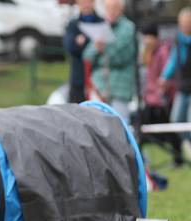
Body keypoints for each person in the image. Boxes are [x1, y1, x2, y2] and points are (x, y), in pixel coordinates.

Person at [82, 0, 136, 121]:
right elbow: (87, 56)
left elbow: (119, 58)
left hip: (119, 89)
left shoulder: (128, 28)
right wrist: (97, 48)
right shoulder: (102, 26)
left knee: (120, 127)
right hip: (99, 87)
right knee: (96, 126)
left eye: (114, 8)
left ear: (121, 9)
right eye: (108, 8)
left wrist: (103, 50)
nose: (110, 12)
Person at [141, 22, 182, 167]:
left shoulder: (163, 52)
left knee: (171, 131)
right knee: (142, 129)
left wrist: (161, 92)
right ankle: (141, 160)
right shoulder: (148, 52)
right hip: (151, 98)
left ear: (155, 37)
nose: (146, 40)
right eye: (144, 37)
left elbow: (167, 76)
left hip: (162, 99)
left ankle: (178, 159)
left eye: (148, 37)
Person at [160, 8, 191, 148]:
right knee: (176, 120)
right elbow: (173, 60)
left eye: (187, 23)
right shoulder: (178, 40)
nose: (184, 26)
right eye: (182, 23)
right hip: (182, 87)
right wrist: (164, 77)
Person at [63, 0, 103, 104]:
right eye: (83, 2)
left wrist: (84, 42)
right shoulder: (73, 24)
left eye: (89, 2)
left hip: (98, 81)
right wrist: (92, 44)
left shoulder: (101, 22)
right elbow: (70, 47)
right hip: (78, 79)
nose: (86, 5)